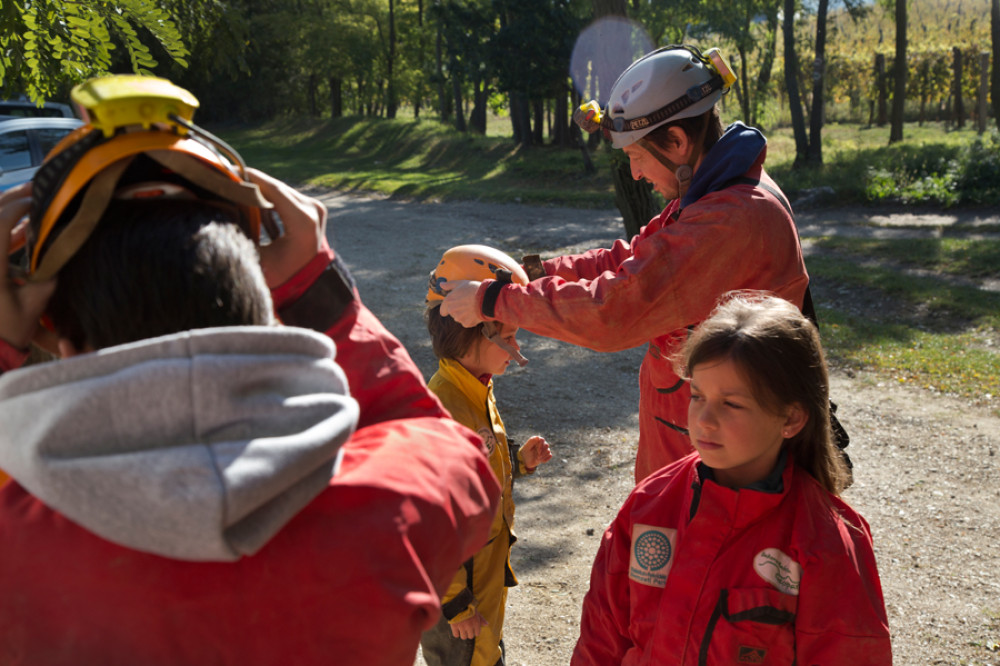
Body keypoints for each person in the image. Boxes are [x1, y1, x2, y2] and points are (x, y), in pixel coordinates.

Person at [0, 75, 501, 666]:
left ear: (52, 331)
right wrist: (325, 299)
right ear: (266, 313)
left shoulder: (16, 550)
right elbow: (447, 448)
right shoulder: (383, 511)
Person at [440, 45, 810, 483]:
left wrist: (495, 300)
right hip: (692, 452)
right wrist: (530, 276)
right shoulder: (710, 196)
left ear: (676, 141)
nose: (635, 174)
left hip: (721, 471)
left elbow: (614, 310)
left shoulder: (730, 219)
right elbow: (630, 259)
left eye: (636, 156)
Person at [571, 292, 892, 665]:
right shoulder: (651, 504)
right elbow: (601, 640)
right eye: (697, 396)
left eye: (732, 404)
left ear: (791, 419)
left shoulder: (827, 542)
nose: (704, 420)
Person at [420, 245, 554, 666]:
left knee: (487, 654)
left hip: (483, 578)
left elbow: (475, 468)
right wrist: (455, 600)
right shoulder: (444, 408)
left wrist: (517, 462)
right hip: (459, 593)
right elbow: (428, 517)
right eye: (510, 336)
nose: (517, 347)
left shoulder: (474, 388)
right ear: (472, 334)